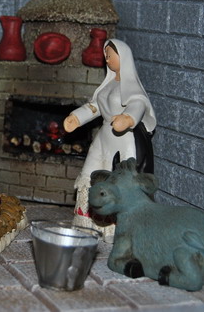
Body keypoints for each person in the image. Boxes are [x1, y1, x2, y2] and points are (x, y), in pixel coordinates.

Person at [63, 39, 156, 241]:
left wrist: (128, 118)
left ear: (123, 57)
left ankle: (116, 228)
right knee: (90, 172)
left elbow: (138, 104)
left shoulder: (131, 87)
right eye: (105, 55)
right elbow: (95, 106)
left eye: (110, 55)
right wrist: (77, 117)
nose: (107, 59)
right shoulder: (108, 85)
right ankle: (87, 220)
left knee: (118, 179)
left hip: (123, 139)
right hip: (104, 137)